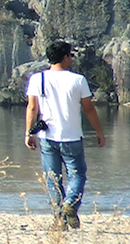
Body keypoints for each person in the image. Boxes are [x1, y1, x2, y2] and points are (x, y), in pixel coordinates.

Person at [24, 40, 106, 229]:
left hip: (47, 136)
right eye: (70, 55)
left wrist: (28, 133)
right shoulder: (78, 80)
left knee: (53, 178)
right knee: (78, 175)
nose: (71, 59)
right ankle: (70, 204)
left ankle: (59, 218)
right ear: (65, 57)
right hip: (72, 136)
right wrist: (99, 132)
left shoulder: (38, 79)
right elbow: (89, 109)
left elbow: (32, 107)